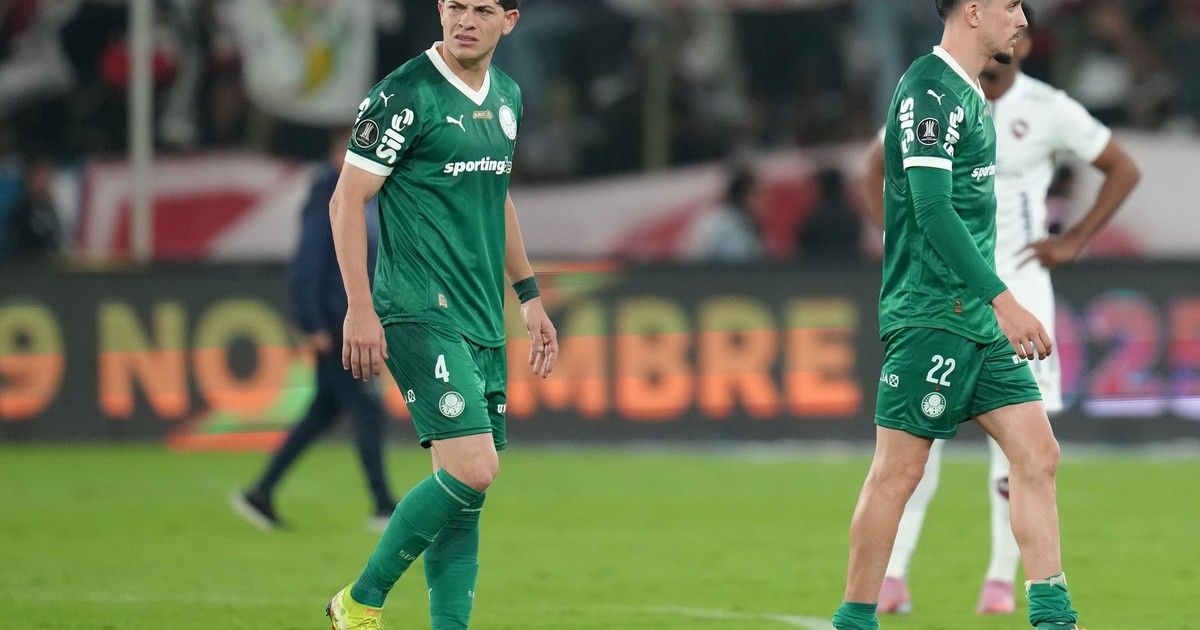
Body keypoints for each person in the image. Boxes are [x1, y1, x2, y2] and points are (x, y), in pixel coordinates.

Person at [857, 3, 1140, 617]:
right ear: (973, 11)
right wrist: (1002, 299)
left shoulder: (974, 94)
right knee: (900, 471)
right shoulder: (930, 93)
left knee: (1037, 455)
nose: (1022, 18)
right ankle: (858, 615)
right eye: (1010, 4)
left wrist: (1043, 264)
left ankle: (1047, 612)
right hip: (937, 312)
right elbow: (931, 209)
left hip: (982, 312)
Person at [323, 2, 558, 629]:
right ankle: (359, 601)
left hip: (481, 315)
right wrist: (359, 307)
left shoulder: (507, 96)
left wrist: (528, 294)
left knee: (464, 495)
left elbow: (495, 197)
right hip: (417, 308)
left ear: (509, 20)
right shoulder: (404, 95)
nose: (465, 20)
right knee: (476, 467)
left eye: (482, 9)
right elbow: (346, 201)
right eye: (455, 5)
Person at [231, 128, 397, 534]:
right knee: (367, 411)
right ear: (342, 150)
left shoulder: (356, 192)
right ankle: (383, 505)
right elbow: (308, 264)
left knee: (323, 412)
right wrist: (313, 323)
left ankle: (261, 493)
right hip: (340, 325)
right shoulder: (328, 193)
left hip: (347, 319)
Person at [681, 167, 765, 262]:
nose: (763, 202)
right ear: (745, 195)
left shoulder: (747, 225)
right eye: (759, 195)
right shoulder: (723, 223)